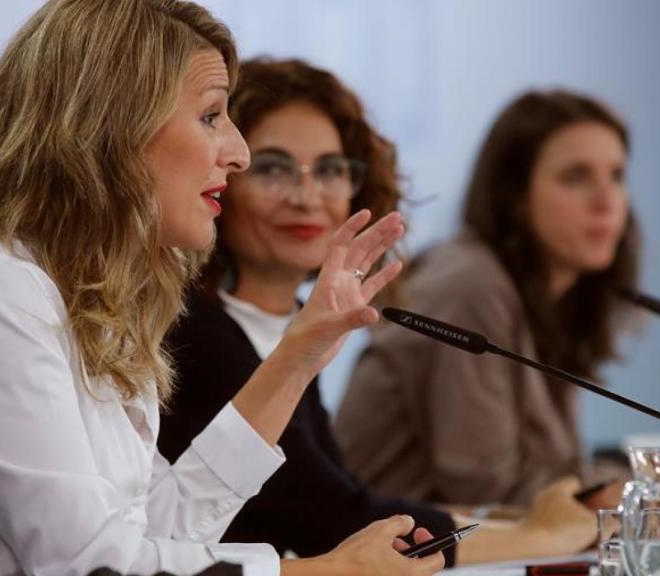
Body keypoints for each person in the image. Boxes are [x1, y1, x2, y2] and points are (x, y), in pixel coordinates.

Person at [0, 2, 440, 575]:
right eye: (211, 116)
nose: (238, 153)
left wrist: (298, 354)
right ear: (109, 128)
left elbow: (159, 529)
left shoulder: (92, 299)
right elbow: (90, 565)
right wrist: (329, 573)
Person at [158, 59, 597, 569]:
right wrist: (543, 536)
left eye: (329, 169)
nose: (307, 197)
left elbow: (340, 500)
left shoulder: (287, 322)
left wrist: (534, 525)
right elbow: (341, 525)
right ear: (223, 177)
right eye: (273, 168)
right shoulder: (198, 335)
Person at [334, 89, 660, 515]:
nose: (607, 201)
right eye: (576, 177)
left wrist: (657, 481)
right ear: (516, 197)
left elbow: (556, 473)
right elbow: (491, 490)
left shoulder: (546, 294)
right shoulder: (470, 285)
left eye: (617, 176)